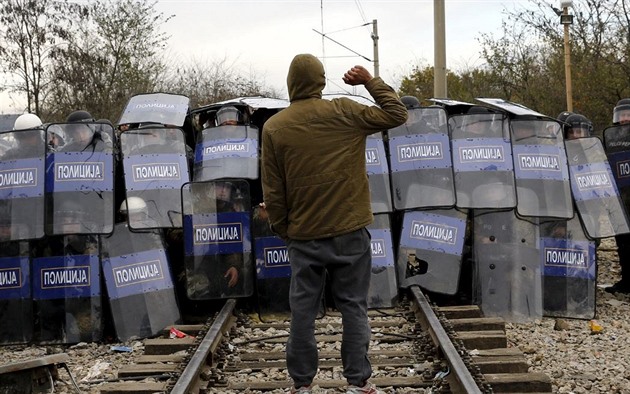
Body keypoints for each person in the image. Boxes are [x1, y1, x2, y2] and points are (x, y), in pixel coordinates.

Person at [261, 54, 407, 394]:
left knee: (302, 312)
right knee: (353, 307)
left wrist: (284, 230)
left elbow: (274, 189)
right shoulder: (344, 111)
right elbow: (397, 113)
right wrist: (370, 81)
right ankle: (358, 383)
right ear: (321, 81)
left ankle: (302, 385)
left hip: (304, 235)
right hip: (350, 231)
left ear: (290, 82)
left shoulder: (275, 128)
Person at [608, 98, 630, 294]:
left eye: (627, 114)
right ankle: (627, 279)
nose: (624, 119)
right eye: (621, 115)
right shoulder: (612, 140)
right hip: (620, 197)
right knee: (623, 240)